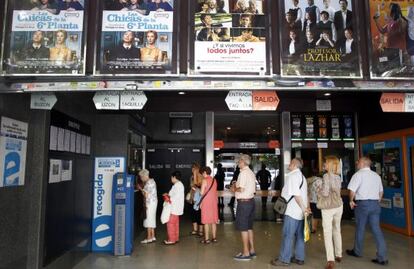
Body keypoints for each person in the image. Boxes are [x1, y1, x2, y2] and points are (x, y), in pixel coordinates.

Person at [346, 157, 388, 265]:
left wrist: (351, 200)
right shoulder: (376, 176)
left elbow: (352, 190)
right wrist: (376, 201)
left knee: (360, 228)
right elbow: (381, 191)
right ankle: (382, 258)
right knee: (376, 230)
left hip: (363, 204)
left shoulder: (358, 175)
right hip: (375, 204)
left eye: (358, 162)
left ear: (364, 163)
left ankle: (357, 251)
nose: (356, 163)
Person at [270, 158, 310, 267]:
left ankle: (284, 259)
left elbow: (297, 195)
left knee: (288, 235)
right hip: (301, 213)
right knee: (300, 236)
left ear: (294, 165)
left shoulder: (293, 176)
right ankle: (299, 258)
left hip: (292, 211)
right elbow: (305, 195)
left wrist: (303, 208)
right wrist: (306, 208)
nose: (289, 164)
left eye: (291, 162)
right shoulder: (302, 177)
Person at [317, 156, 343, 269]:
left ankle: (331, 260)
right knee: (337, 229)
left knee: (327, 233)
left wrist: (318, 189)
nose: (324, 164)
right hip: (339, 205)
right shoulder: (338, 177)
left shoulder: (326, 176)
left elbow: (326, 193)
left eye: (326, 163)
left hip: (328, 207)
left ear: (330, 164)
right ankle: (339, 254)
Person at [231, 154, 256, 261]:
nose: (238, 163)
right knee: (249, 227)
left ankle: (246, 253)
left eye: (239, 161)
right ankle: (252, 250)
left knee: (243, 228)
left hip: (244, 203)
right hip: (251, 202)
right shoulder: (251, 172)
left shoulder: (243, 173)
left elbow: (241, 189)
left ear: (243, 162)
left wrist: (233, 188)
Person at [164, 171, 185, 245]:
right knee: (175, 224)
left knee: (170, 224)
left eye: (171, 177)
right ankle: (175, 238)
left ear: (174, 177)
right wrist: (169, 195)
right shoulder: (178, 185)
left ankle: (171, 239)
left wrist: (168, 197)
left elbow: (175, 197)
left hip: (174, 208)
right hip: (176, 208)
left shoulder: (177, 186)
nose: (171, 179)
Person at [200, 166, 219, 244]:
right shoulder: (214, 180)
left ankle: (207, 239)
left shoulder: (204, 180)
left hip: (206, 202)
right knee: (213, 221)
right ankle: (214, 238)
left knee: (206, 221)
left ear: (204, 172)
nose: (202, 175)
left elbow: (201, 193)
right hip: (213, 202)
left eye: (202, 173)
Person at [138, 169, 158, 244]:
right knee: (152, 219)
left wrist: (141, 189)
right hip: (154, 202)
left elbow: (146, 195)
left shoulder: (148, 183)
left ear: (144, 176)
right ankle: (153, 236)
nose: (141, 179)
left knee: (148, 219)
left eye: (141, 177)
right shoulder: (152, 181)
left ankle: (149, 237)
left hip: (149, 203)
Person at [189, 163, 204, 237]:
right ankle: (195, 230)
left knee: (199, 215)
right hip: (193, 198)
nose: (193, 170)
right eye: (192, 168)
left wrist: (195, 175)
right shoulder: (192, 177)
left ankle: (200, 231)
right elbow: (192, 187)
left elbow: (198, 185)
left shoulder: (201, 176)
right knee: (193, 215)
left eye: (194, 168)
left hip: (199, 199)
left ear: (198, 169)